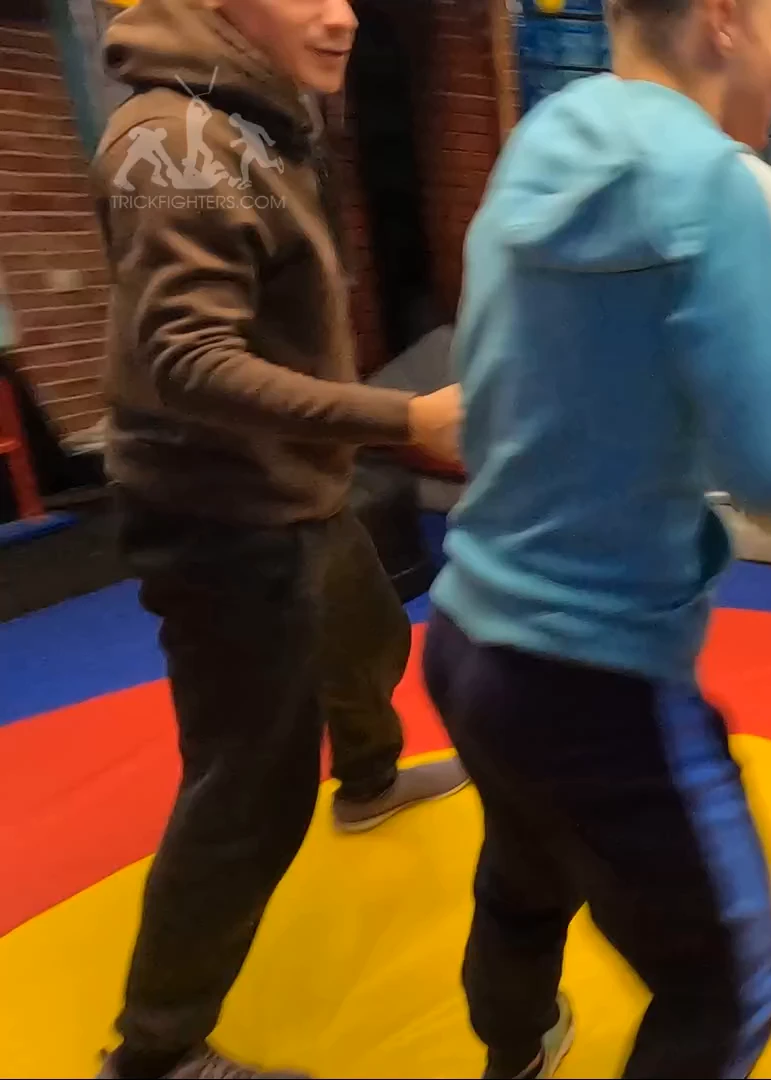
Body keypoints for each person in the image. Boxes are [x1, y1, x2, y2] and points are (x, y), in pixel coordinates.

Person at [420, 0, 771, 1075]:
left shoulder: (537, 143)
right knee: (732, 986)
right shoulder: (727, 188)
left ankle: (514, 1052)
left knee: (526, 870)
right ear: (719, 21)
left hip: (464, 639)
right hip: (594, 683)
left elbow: (484, 399)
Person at [88, 0, 470, 1075]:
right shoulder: (174, 140)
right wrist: (403, 417)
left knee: (362, 629)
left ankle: (370, 778)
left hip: (291, 484)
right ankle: (157, 1049)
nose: (342, 16)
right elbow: (188, 361)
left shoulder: (253, 117)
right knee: (249, 787)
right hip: (219, 514)